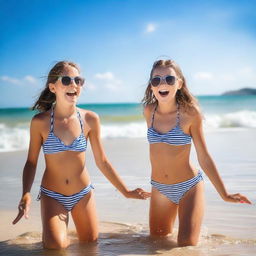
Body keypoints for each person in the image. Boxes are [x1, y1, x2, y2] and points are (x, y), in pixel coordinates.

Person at [13, 61, 150, 249]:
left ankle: (63, 231)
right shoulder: (40, 122)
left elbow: (102, 161)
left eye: (78, 80)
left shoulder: (90, 119)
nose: (74, 84)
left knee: (90, 245)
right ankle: (57, 233)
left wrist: (126, 192)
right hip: (53, 194)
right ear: (53, 87)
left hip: (82, 193)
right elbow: (31, 162)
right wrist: (26, 193)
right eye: (67, 80)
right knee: (55, 247)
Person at [142, 59, 251, 247]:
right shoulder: (149, 111)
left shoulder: (190, 113)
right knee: (156, 243)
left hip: (188, 188)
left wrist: (224, 193)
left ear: (179, 83)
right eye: (156, 80)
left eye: (169, 78)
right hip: (159, 188)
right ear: (151, 86)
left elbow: (204, 156)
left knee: (186, 246)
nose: (162, 84)